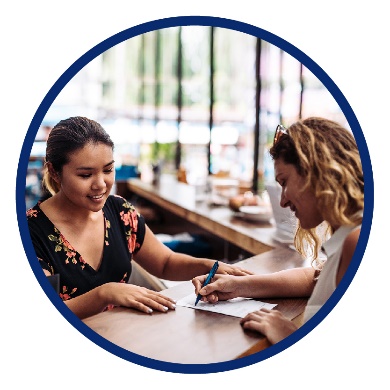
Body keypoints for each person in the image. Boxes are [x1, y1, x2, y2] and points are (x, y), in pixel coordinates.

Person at [27, 116, 252, 320]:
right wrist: (105, 294)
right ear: (55, 172)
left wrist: (210, 266)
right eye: (85, 175)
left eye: (108, 170)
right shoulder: (30, 232)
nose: (101, 184)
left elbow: (165, 263)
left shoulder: (120, 212)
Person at [192, 117, 364, 345]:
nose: (282, 201)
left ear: (317, 172)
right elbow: (319, 278)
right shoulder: (350, 234)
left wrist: (289, 335)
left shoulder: (356, 239)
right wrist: (236, 287)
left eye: (284, 182)